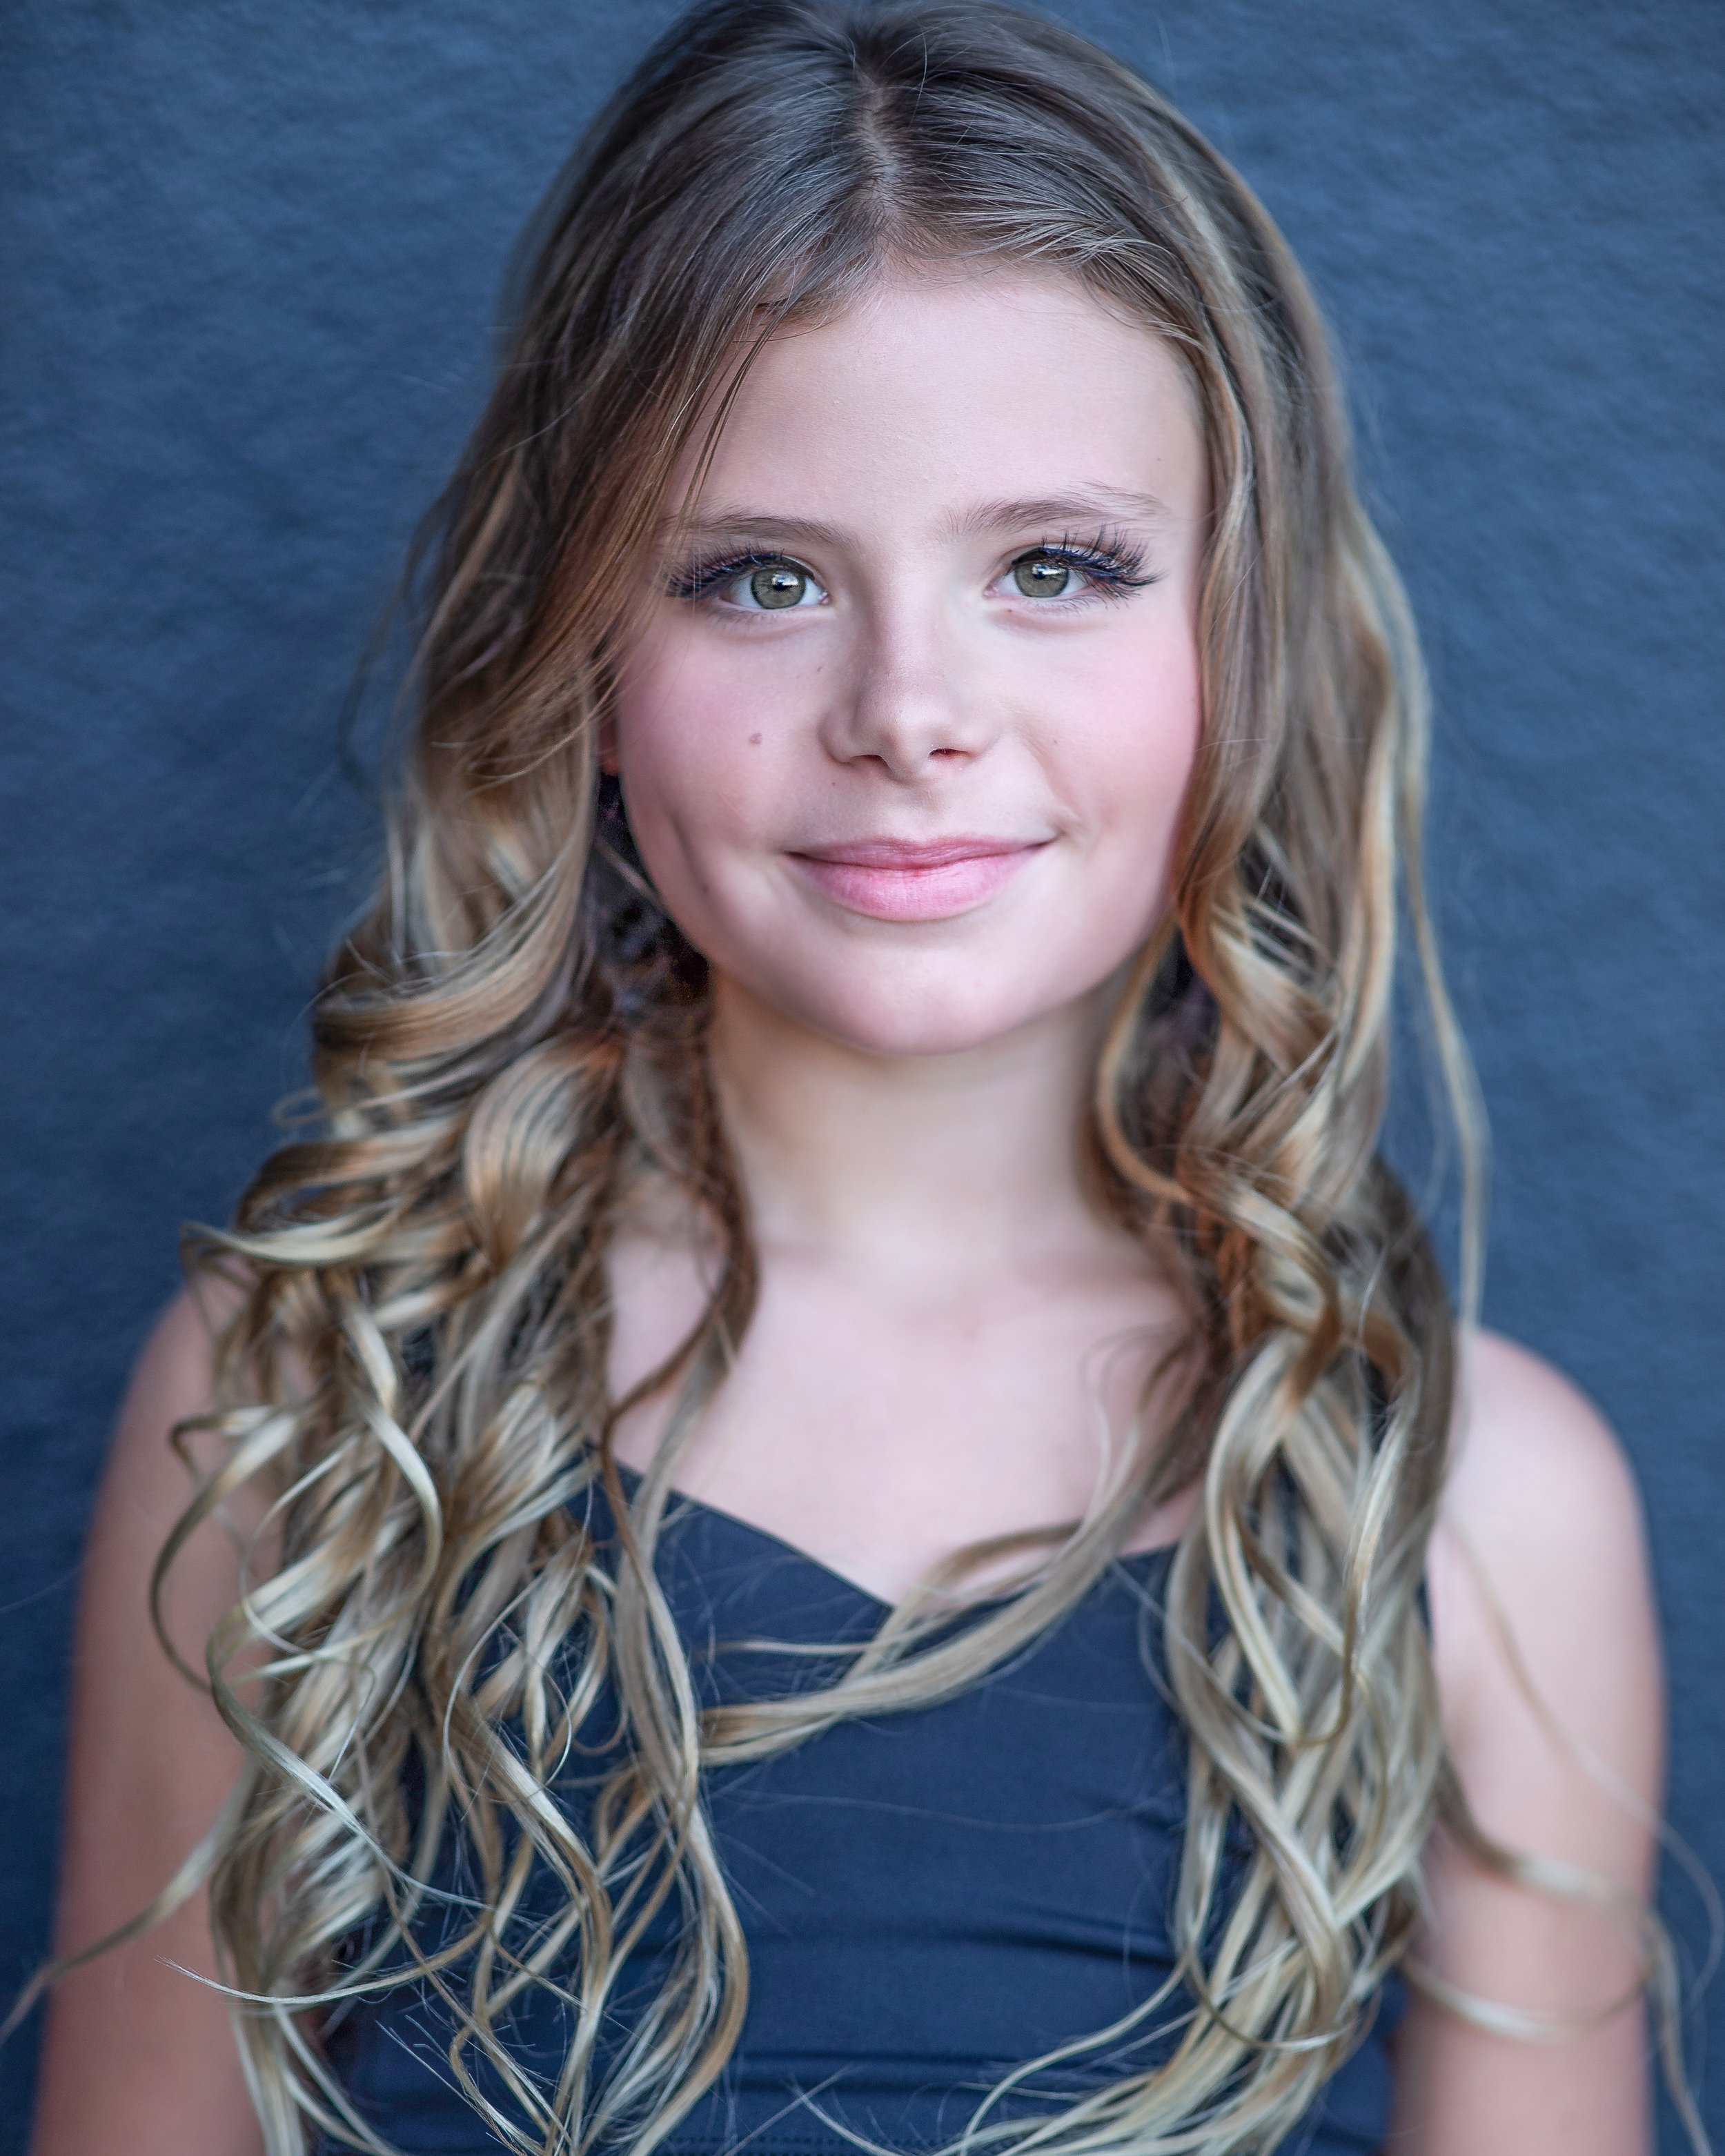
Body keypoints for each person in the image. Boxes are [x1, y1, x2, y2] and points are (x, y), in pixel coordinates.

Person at [28, 3, 1675, 2151]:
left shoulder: (1473, 1502)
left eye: (1053, 568)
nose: (909, 706)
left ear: (1242, 639)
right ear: (588, 661)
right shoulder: (307, 1402)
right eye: (759, 578)